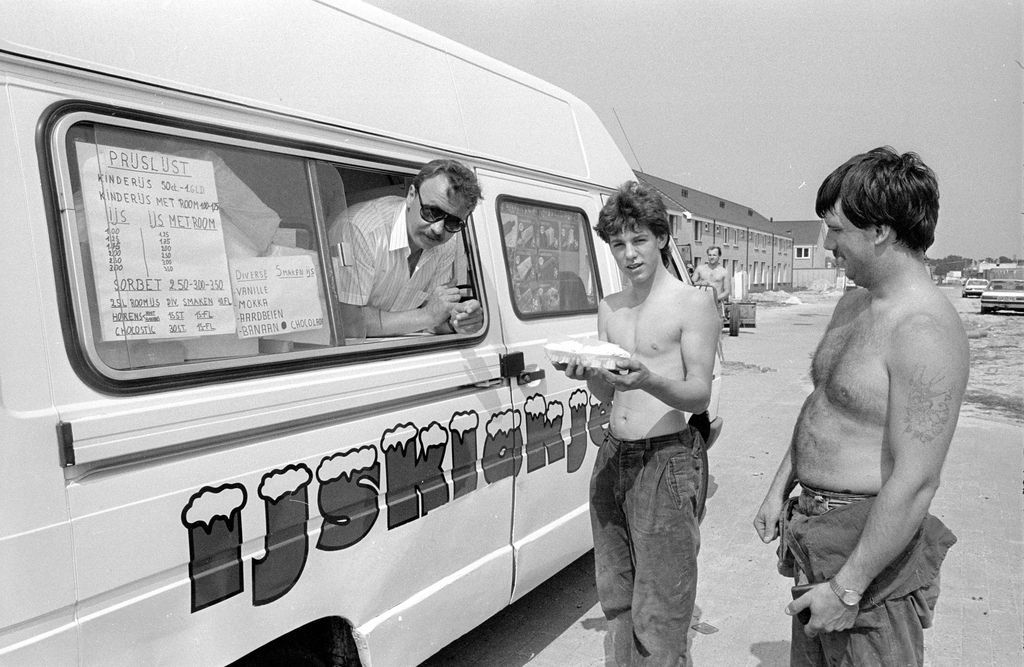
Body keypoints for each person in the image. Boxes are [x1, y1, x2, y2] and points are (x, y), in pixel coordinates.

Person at [753, 147, 966, 666]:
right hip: (814, 534)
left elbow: (916, 481)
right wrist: (779, 486)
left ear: (880, 231)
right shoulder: (854, 303)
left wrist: (847, 588)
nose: (827, 246)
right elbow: (825, 403)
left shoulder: (924, 331)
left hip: (868, 555)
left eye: (836, 230)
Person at [557, 181, 719, 665]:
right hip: (613, 455)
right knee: (617, 596)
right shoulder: (610, 307)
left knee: (662, 609)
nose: (629, 254)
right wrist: (587, 374)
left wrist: (647, 378)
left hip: (666, 459)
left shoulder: (693, 303)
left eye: (639, 240)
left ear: (662, 238)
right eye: (618, 244)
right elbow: (609, 394)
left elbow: (699, 393)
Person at [329, 159, 484, 337]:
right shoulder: (361, 230)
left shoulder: (447, 242)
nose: (438, 229)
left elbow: (433, 320)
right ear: (411, 195)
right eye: (432, 212)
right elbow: (348, 325)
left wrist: (457, 322)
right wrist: (426, 316)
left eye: (453, 222)